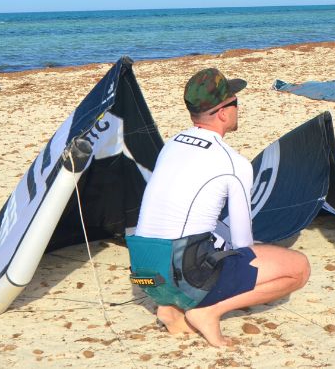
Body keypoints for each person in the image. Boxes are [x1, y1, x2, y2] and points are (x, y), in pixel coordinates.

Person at [127, 67, 310, 348]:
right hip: (183, 273)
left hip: (145, 275)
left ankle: (170, 308)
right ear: (224, 112)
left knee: (203, 243)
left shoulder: (172, 144)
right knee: (298, 268)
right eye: (235, 102)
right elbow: (243, 243)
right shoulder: (233, 162)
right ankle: (208, 312)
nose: (239, 108)